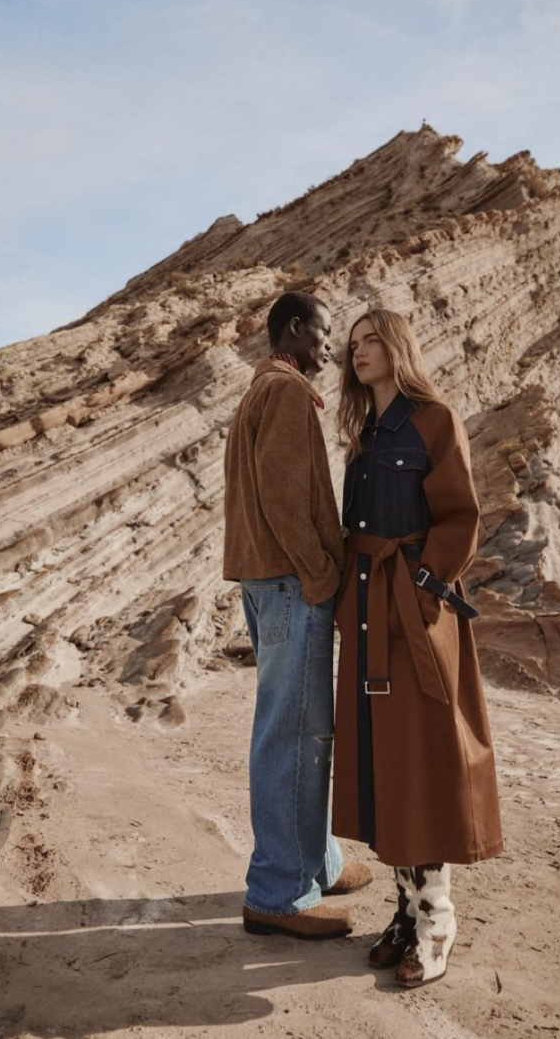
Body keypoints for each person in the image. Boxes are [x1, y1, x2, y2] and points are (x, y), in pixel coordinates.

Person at [331, 307, 503, 987]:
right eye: (351, 344)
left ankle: (437, 918)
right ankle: (405, 909)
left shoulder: (434, 419)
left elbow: (461, 515)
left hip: (416, 613)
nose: (359, 351)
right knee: (385, 763)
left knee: (426, 757)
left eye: (371, 340)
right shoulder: (361, 437)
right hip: (370, 609)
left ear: (397, 346)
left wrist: (425, 589)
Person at [222, 290, 373, 939]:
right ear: (293, 329)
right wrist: (321, 576)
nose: (330, 345)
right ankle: (280, 895)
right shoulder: (284, 394)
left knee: (304, 729)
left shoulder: (264, 391)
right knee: (293, 734)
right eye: (323, 331)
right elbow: (286, 499)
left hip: (272, 582)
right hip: (291, 585)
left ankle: (316, 862)